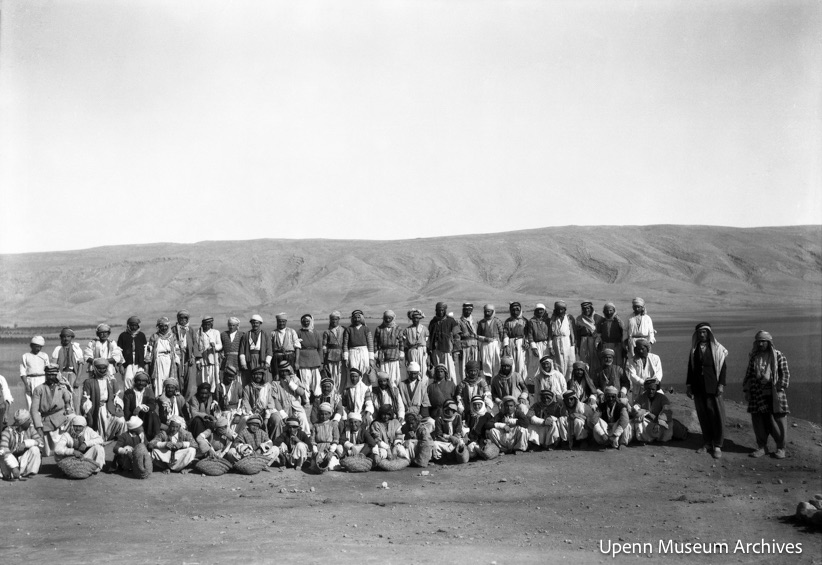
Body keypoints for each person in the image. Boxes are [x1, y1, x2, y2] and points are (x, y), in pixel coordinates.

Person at [743, 330, 790, 460]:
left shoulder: (778, 356)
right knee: (758, 420)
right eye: (759, 341)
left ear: (769, 342)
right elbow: (749, 375)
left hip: (775, 393)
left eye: (763, 341)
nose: (761, 344)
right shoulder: (754, 357)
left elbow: (785, 373)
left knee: (778, 420)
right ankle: (762, 446)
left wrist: (780, 387)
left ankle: (781, 448)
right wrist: (747, 390)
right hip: (757, 393)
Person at [686, 322, 728, 458]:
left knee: (716, 415)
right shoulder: (694, 349)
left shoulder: (717, 349)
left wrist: (721, 384)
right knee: (703, 415)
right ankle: (707, 442)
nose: (702, 335)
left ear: (709, 333)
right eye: (700, 333)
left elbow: (723, 368)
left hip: (712, 386)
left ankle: (718, 445)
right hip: (699, 387)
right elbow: (690, 369)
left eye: (704, 332)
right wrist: (689, 386)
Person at [31, 364, 74, 455]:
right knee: (47, 452)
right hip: (46, 422)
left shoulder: (62, 387)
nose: (51, 377)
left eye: (53, 374)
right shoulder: (38, 389)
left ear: (57, 375)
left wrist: (65, 387)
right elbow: (34, 410)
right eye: (49, 375)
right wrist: (38, 427)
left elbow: (67, 403)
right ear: (45, 375)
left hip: (60, 420)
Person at [80, 358, 126, 441]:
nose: (102, 370)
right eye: (99, 368)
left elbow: (117, 396)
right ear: (95, 368)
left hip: (110, 408)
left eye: (104, 368)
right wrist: (89, 409)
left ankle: (120, 439)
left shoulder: (112, 381)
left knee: (121, 420)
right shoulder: (89, 382)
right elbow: (85, 399)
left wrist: (118, 405)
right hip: (96, 408)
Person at [0, 409, 43, 481]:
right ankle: (12, 473)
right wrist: (13, 466)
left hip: (22, 460)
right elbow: (3, 449)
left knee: (35, 449)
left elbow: (41, 443)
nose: (31, 421)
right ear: (23, 422)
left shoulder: (31, 429)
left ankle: (28, 472)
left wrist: (25, 444)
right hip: (9, 463)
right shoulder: (7, 431)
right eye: (28, 420)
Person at [631, 378, 673, 444]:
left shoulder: (662, 398)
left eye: (653, 389)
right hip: (647, 421)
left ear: (656, 389)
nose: (651, 391)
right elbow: (635, 409)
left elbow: (667, 410)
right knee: (637, 421)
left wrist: (659, 420)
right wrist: (648, 414)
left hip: (660, 422)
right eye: (649, 389)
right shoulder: (641, 398)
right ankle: (645, 439)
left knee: (669, 429)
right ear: (645, 389)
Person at [427, 302, 461, 384]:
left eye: (442, 310)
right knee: (438, 372)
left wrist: (456, 351)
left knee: (450, 372)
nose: (440, 312)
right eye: (439, 310)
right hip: (435, 351)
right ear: (436, 310)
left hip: (447, 350)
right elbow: (429, 337)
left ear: (445, 310)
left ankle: (452, 388)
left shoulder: (451, 321)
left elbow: (457, 336)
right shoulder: (433, 322)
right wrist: (429, 351)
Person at [146, 317, 181, 395]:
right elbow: (149, 350)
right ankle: (158, 397)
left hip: (169, 360)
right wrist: (148, 361)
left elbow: (177, 350)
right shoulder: (154, 336)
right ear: (159, 327)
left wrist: (177, 360)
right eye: (161, 326)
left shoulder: (172, 337)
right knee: (158, 380)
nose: (164, 328)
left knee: (169, 378)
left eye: (165, 326)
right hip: (158, 361)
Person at [52, 328, 84, 410]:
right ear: (61, 338)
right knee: (61, 397)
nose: (66, 339)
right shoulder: (57, 349)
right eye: (64, 336)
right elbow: (53, 365)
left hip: (73, 375)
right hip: (61, 376)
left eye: (68, 336)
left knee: (75, 397)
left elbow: (80, 364)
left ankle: (76, 419)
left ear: (71, 337)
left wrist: (78, 379)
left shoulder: (76, 349)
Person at [123, 370, 160, 440]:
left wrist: (140, 407)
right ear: (135, 381)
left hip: (145, 416)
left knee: (152, 413)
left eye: (143, 381)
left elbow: (152, 405)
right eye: (139, 380)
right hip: (133, 416)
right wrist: (129, 421)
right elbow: (126, 410)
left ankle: (153, 437)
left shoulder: (149, 391)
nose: (141, 383)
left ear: (146, 382)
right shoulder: (128, 392)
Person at [342, 310, 375, 387]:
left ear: (362, 318)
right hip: (352, 352)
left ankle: (367, 392)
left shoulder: (366, 329)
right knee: (353, 371)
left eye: (358, 317)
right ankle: (354, 391)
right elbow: (345, 344)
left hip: (364, 352)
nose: (357, 319)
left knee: (366, 370)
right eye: (355, 318)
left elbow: (370, 344)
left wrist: (371, 358)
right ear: (352, 318)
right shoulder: (349, 329)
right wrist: (346, 358)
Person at [171, 310, 200, 396]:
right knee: (179, 378)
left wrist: (195, 358)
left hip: (189, 358)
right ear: (178, 319)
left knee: (189, 379)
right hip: (178, 356)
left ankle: (188, 399)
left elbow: (195, 343)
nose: (183, 320)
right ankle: (179, 397)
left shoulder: (191, 330)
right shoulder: (173, 330)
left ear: (187, 319)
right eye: (181, 318)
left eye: (185, 318)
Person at [625, 339, 663, 403]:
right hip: (639, 388)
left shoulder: (655, 358)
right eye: (638, 349)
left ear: (647, 348)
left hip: (653, 386)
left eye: (642, 349)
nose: (640, 351)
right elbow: (632, 375)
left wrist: (652, 383)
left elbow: (659, 373)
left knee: (660, 401)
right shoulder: (632, 360)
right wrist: (644, 383)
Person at [374, 310, 404, 387]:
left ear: (393, 318)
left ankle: (394, 392)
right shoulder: (379, 329)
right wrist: (376, 356)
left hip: (395, 355)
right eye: (386, 318)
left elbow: (401, 343)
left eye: (389, 318)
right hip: (383, 356)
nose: (387, 320)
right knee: (383, 376)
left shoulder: (398, 328)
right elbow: (375, 343)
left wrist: (401, 356)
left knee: (394, 377)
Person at [117, 316, 148, 391]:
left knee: (140, 380)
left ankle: (140, 399)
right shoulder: (123, 336)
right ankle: (129, 398)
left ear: (138, 325)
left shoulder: (141, 335)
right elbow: (118, 351)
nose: (134, 327)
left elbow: (146, 349)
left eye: (135, 325)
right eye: (132, 325)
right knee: (128, 379)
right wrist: (120, 364)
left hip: (139, 361)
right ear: (128, 325)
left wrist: (146, 363)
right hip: (127, 362)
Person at [296, 314, 323, 397]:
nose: (306, 323)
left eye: (308, 321)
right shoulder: (299, 333)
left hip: (315, 358)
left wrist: (321, 362)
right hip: (303, 359)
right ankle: (306, 398)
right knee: (305, 379)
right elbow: (296, 347)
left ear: (311, 321)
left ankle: (317, 397)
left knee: (317, 379)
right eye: (304, 321)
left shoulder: (316, 333)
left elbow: (320, 348)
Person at [20, 335, 50, 410]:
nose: (38, 349)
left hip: (42, 380)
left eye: (40, 347)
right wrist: (26, 385)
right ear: (31, 346)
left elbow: (48, 370)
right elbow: (22, 372)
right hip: (30, 381)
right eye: (36, 346)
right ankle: (32, 421)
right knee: (31, 404)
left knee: (42, 402)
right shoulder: (25, 356)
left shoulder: (44, 355)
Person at [524, 304, 550, 390]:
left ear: (544, 311)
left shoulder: (548, 321)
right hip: (536, 344)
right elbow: (530, 335)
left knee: (546, 363)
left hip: (546, 344)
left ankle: (546, 384)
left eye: (541, 310)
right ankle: (534, 385)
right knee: (535, 364)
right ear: (535, 311)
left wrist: (550, 346)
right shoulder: (532, 321)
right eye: (538, 310)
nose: (540, 312)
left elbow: (550, 334)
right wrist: (533, 347)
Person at [239, 314, 271, 385]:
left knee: (262, 378)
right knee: (250, 378)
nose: (255, 324)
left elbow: (269, 349)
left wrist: (267, 362)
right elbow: (242, 350)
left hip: (261, 360)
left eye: (257, 323)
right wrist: (243, 363)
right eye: (253, 323)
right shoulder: (246, 335)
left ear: (260, 323)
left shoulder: (265, 334)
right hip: (250, 360)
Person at [476, 304, 505, 381]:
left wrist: (502, 347)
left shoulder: (497, 321)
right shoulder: (481, 322)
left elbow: (502, 334)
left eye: (489, 311)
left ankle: (496, 382)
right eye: (486, 311)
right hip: (485, 345)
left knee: (497, 363)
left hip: (495, 344)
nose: (487, 313)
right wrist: (485, 339)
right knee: (486, 364)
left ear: (493, 312)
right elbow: (477, 336)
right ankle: (488, 384)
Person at [549, 301, 576, 380]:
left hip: (567, 341)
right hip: (556, 341)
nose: (560, 311)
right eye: (558, 310)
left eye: (562, 309)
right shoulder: (553, 320)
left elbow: (572, 332)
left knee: (569, 362)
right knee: (558, 362)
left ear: (565, 310)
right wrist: (550, 347)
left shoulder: (569, 318)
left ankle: (568, 381)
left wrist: (573, 345)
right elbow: (550, 334)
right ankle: (560, 381)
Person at [464, 395, 497, 460]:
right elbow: (466, 426)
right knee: (471, 453)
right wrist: (466, 434)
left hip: (483, 439)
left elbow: (491, 426)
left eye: (479, 404)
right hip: (471, 439)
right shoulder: (469, 415)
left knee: (485, 451)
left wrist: (488, 438)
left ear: (482, 404)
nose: (477, 407)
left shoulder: (487, 415)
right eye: (474, 405)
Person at [503, 301, 528, 382]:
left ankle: (522, 382)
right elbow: (505, 333)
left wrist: (526, 342)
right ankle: (512, 382)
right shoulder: (508, 321)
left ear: (520, 310)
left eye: (517, 310)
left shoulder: (524, 321)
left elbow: (528, 333)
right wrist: (506, 345)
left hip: (521, 343)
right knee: (511, 364)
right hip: (511, 343)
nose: (515, 312)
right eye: (513, 310)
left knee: (521, 364)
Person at [196, 316, 223, 393]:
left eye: (208, 324)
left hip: (213, 360)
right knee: (204, 380)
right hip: (203, 361)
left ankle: (214, 396)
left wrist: (214, 346)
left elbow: (220, 345)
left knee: (214, 380)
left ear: (211, 324)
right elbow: (197, 348)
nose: (206, 326)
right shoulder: (198, 333)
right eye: (205, 324)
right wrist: (198, 361)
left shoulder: (215, 332)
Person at [625, 298, 656, 364]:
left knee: (644, 359)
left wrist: (650, 342)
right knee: (633, 360)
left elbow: (651, 331)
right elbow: (625, 330)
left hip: (645, 341)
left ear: (642, 308)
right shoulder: (629, 318)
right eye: (635, 307)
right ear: (633, 307)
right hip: (633, 341)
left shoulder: (647, 318)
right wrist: (625, 342)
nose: (636, 309)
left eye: (638, 307)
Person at [311, 403, 342, 469]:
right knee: (316, 466)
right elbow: (312, 440)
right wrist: (316, 452)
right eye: (322, 414)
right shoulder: (315, 425)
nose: (324, 416)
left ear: (330, 414)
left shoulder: (333, 424)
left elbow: (336, 439)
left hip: (329, 448)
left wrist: (331, 452)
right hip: (318, 449)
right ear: (319, 414)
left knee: (331, 466)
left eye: (326, 414)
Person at [215, 366, 246, 432]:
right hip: (222, 413)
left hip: (235, 413)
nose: (230, 378)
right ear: (224, 375)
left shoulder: (237, 385)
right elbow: (216, 402)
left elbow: (242, 401)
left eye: (232, 376)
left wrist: (238, 415)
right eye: (229, 376)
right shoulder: (219, 386)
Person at [596, 302, 625, 369]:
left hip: (617, 346)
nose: (608, 312)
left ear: (614, 311)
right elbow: (599, 334)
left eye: (610, 310)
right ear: (604, 311)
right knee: (605, 363)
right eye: (607, 310)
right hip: (605, 345)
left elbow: (623, 333)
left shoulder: (618, 321)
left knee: (617, 364)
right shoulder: (601, 322)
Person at [271, 313, 300, 380]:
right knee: (277, 378)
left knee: (291, 377)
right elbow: (270, 349)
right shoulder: (273, 333)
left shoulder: (292, 332)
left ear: (286, 322)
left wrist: (297, 362)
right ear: (277, 322)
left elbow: (297, 347)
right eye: (279, 321)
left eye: (283, 321)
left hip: (290, 357)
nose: (281, 323)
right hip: (277, 359)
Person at [456, 303, 479, 385]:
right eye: (466, 310)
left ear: (471, 310)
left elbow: (477, 335)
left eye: (469, 310)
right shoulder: (459, 322)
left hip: (474, 346)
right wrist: (459, 349)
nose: (467, 311)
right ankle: (464, 385)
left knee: (474, 366)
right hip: (464, 347)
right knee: (463, 367)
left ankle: (475, 384)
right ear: (463, 310)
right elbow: (457, 336)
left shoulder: (475, 321)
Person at [575, 302, 602, 375]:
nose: (586, 310)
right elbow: (577, 334)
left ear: (591, 308)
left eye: (588, 308)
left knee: (595, 360)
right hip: (583, 341)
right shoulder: (579, 319)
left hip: (594, 341)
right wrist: (577, 345)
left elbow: (601, 331)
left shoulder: (598, 317)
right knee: (584, 360)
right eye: (584, 309)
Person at [403, 308, 429, 380]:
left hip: (422, 352)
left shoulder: (425, 329)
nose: (415, 320)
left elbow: (428, 344)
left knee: (423, 371)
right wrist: (406, 359)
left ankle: (423, 389)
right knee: (412, 370)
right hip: (411, 351)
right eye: (414, 318)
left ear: (420, 319)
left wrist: (428, 357)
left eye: (417, 318)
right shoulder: (407, 330)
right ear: (412, 319)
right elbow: (405, 346)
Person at [322, 311, 345, 390]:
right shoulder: (327, 332)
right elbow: (324, 346)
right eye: (332, 319)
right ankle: (333, 390)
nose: (334, 321)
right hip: (330, 355)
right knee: (332, 373)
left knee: (340, 374)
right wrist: (324, 358)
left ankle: (339, 391)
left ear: (338, 320)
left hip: (341, 355)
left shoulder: (344, 330)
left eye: (335, 319)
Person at [221, 317, 245, 383]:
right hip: (227, 360)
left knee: (238, 378)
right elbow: (220, 347)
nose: (231, 327)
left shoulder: (242, 335)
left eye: (233, 325)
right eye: (230, 325)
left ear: (237, 326)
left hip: (237, 360)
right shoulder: (223, 334)